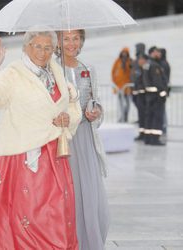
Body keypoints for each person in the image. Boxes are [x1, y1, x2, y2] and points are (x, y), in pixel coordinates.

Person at [0, 30, 82, 249]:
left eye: (48, 47)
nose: (42, 52)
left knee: (58, 212)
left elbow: (70, 106)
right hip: (23, 158)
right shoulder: (13, 74)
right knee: (29, 216)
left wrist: (66, 117)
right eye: (37, 46)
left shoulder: (57, 71)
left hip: (55, 156)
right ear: (26, 47)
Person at [56, 30, 109, 250]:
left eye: (76, 38)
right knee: (68, 192)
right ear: (58, 41)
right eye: (66, 38)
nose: (71, 43)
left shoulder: (88, 69)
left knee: (89, 194)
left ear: (82, 41)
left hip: (86, 139)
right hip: (63, 140)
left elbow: (95, 102)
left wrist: (94, 111)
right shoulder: (52, 69)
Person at [138, 48, 167, 146]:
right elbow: (158, 82)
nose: (159, 54)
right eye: (157, 52)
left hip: (148, 96)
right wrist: (163, 93)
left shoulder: (147, 64)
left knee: (149, 117)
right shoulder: (154, 66)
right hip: (156, 96)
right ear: (153, 53)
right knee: (156, 117)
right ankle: (154, 139)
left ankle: (147, 139)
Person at [111, 47, 133, 122]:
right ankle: (122, 118)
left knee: (127, 104)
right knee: (121, 105)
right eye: (123, 52)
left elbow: (132, 73)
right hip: (119, 87)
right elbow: (113, 72)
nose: (124, 54)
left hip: (127, 87)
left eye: (125, 52)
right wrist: (115, 83)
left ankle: (125, 117)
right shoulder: (117, 61)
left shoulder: (130, 61)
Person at [131, 43, 146, 140]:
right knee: (142, 115)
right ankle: (142, 133)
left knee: (144, 115)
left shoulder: (141, 60)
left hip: (142, 93)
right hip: (137, 92)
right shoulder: (136, 60)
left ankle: (144, 134)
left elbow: (138, 76)